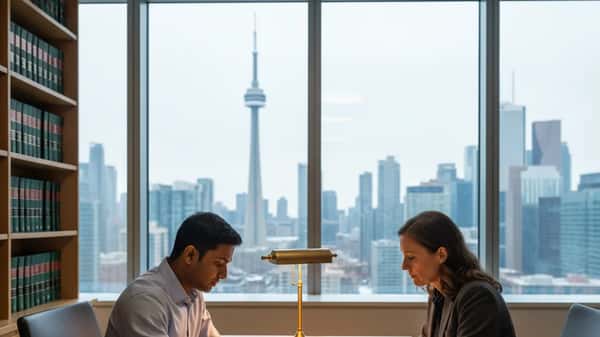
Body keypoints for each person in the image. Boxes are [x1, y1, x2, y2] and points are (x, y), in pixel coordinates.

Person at [105, 212, 242, 337]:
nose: (224, 274)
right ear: (190, 255)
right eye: (218, 264)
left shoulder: (194, 295)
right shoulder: (145, 302)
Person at [398, 211, 516, 337]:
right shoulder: (437, 294)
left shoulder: (477, 296)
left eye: (411, 257)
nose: (404, 266)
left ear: (441, 255)